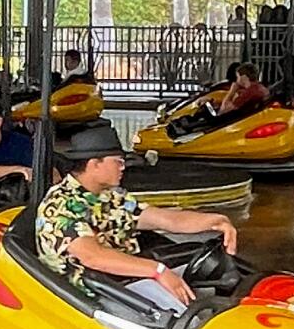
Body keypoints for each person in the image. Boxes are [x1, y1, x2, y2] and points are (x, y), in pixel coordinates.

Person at [36, 125, 238, 309]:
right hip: (90, 297)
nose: (123, 167)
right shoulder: (61, 205)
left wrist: (215, 221)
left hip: (121, 280)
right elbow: (93, 257)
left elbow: (165, 219)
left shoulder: (110, 196)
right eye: (118, 162)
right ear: (94, 164)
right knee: (183, 318)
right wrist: (157, 270)